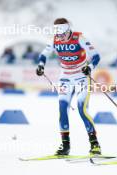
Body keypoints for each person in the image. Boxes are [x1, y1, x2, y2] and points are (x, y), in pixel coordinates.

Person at [36, 18, 101, 156]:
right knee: (62, 107)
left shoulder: (79, 37)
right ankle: (65, 145)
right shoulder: (55, 39)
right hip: (65, 77)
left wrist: (90, 67)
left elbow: (96, 56)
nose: (60, 37)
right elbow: (43, 54)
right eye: (58, 34)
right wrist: (41, 65)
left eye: (62, 34)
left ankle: (95, 144)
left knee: (81, 108)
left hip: (81, 77)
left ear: (68, 30)